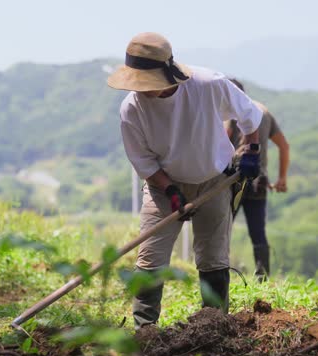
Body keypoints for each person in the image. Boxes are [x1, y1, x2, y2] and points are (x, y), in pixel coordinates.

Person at [107, 32, 263, 328]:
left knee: (213, 258)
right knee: (151, 258)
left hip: (214, 181)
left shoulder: (207, 85)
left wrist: (252, 150)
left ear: (167, 72)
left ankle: (214, 324)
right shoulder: (131, 109)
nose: (141, 90)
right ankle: (145, 329)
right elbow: (143, 160)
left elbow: (250, 115)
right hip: (163, 186)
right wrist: (171, 190)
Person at [226, 79, 291, 281]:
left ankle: (219, 275)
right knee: (258, 233)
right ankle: (262, 279)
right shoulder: (263, 111)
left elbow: (224, 142)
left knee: (222, 229)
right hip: (259, 181)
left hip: (234, 181)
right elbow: (284, 146)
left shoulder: (231, 113)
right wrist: (281, 178)